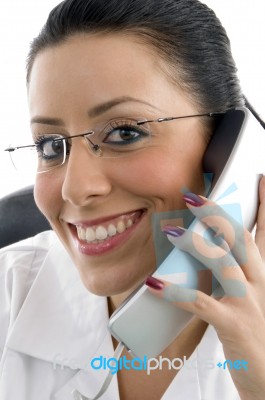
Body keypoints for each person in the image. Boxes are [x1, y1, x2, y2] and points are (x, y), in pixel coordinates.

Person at [0, 0, 265, 399]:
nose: (75, 188)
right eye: (51, 145)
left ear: (226, 152)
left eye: (125, 133)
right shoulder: (9, 294)